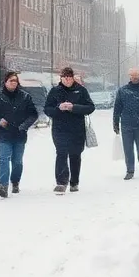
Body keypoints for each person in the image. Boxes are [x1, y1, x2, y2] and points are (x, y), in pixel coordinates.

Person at [0, 69, 40, 198]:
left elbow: (33, 114)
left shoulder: (25, 97)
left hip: (19, 134)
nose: (14, 83)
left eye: (15, 80)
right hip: (3, 134)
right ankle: (3, 186)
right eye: (11, 80)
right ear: (5, 82)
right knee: (4, 159)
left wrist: (24, 126)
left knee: (17, 161)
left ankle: (15, 182)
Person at [44, 66, 95, 194]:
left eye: (69, 77)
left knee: (75, 154)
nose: (67, 80)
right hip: (59, 129)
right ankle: (61, 182)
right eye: (65, 77)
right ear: (61, 78)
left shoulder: (81, 90)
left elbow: (90, 107)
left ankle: (74, 182)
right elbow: (47, 109)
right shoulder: (55, 91)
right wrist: (58, 108)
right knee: (61, 153)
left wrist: (74, 107)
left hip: (77, 128)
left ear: (73, 78)